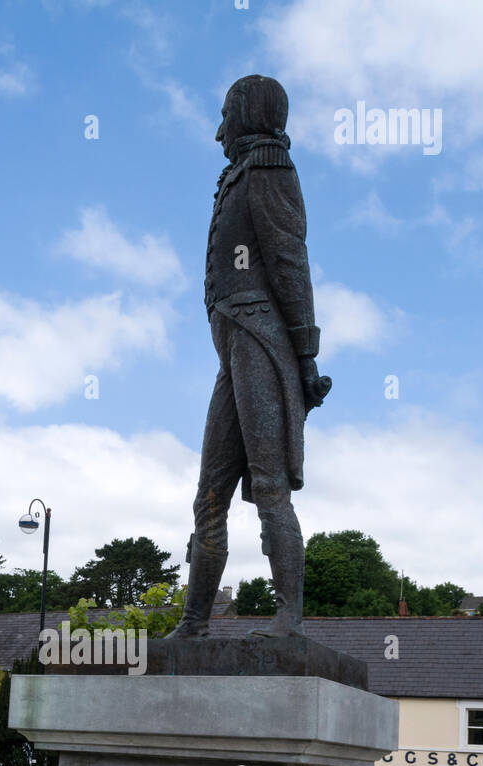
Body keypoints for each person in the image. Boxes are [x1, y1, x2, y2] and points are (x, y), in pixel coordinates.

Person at [169, 74, 331, 640]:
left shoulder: (267, 168)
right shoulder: (239, 172)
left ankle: (289, 621)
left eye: (224, 116)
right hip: (232, 350)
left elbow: (290, 261)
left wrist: (305, 357)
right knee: (209, 494)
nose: (217, 133)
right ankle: (192, 623)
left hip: (261, 341)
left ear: (249, 114)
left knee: (268, 486)